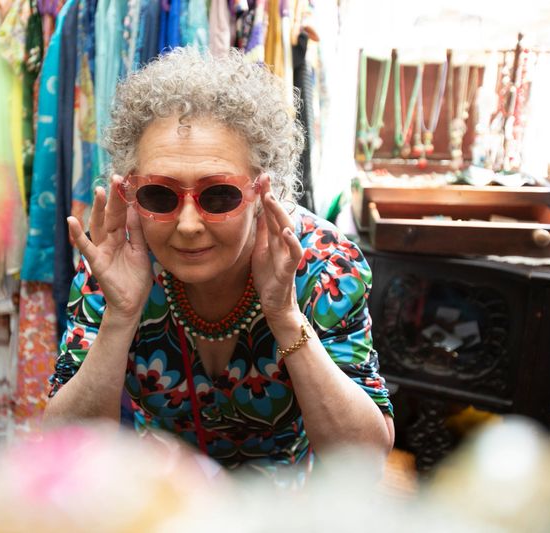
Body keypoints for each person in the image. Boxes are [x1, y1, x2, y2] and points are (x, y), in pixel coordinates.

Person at [44, 47, 394, 480]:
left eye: (219, 195)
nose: (188, 225)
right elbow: (64, 445)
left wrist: (284, 315)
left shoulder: (321, 266)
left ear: (263, 190)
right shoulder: (117, 264)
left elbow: (365, 455)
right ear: (130, 193)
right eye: (160, 195)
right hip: (165, 495)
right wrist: (121, 314)